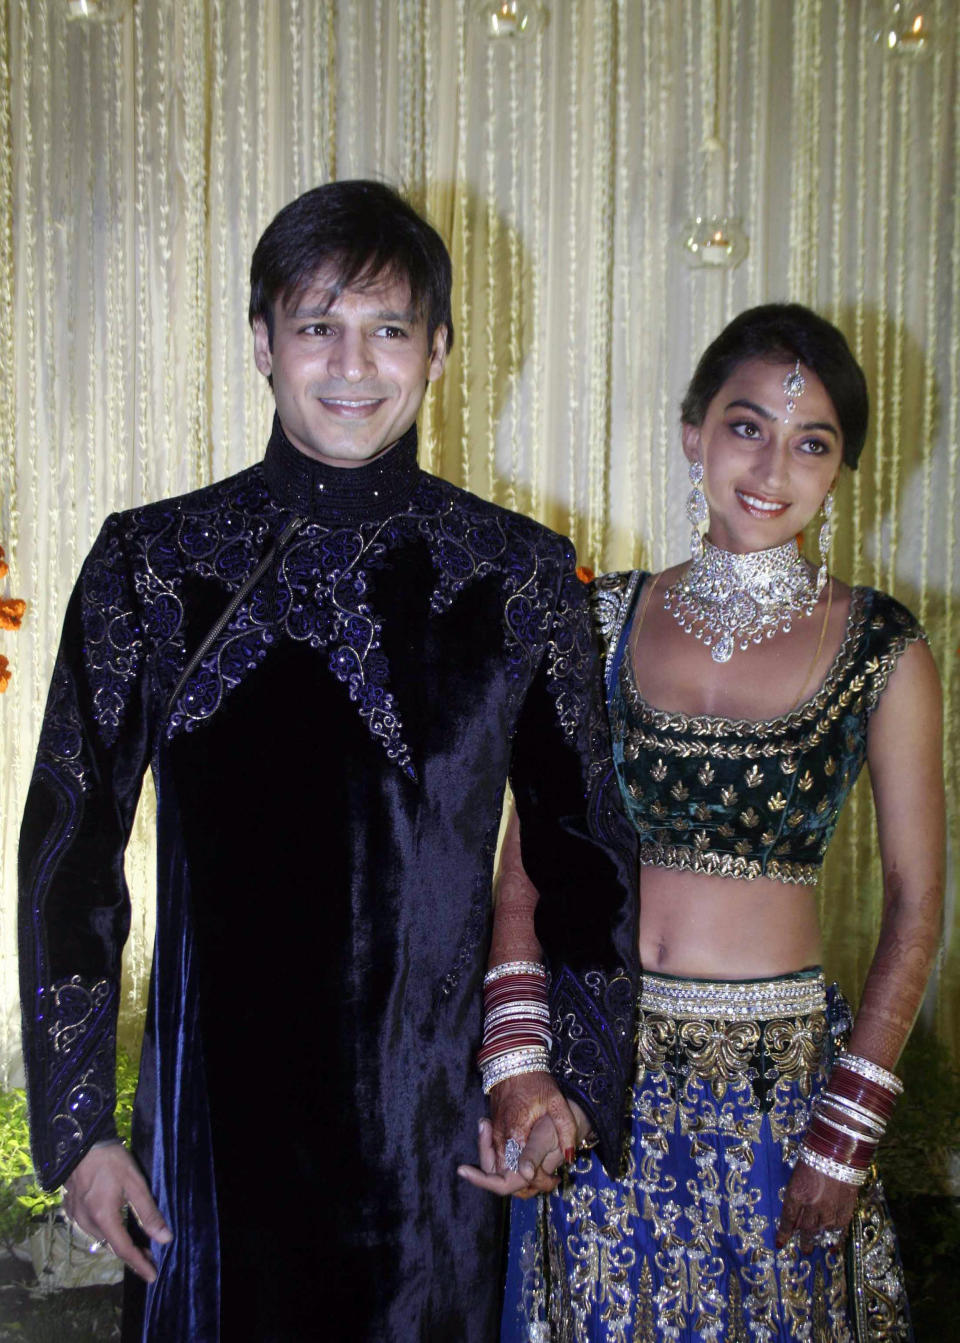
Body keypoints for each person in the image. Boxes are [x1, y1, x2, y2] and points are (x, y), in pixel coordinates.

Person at [18, 180, 638, 1342]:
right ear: (262, 342)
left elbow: (586, 853)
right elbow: (70, 851)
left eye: (390, 328)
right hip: (210, 1158)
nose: (354, 363)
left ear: (440, 350)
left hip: (438, 1161)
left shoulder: (517, 576)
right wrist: (80, 1130)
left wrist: (569, 1084)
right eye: (318, 325)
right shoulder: (151, 565)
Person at [465, 304, 944, 1341]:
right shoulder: (595, 623)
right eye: (746, 426)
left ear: (841, 466)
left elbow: (916, 900)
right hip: (603, 1081)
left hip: (779, 1099)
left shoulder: (882, 648)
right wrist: (521, 1065)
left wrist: (845, 1131)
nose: (774, 464)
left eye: (812, 441)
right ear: (694, 432)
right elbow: (524, 873)